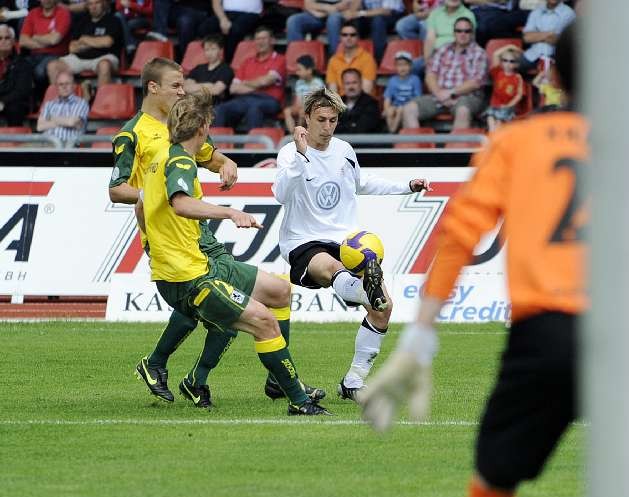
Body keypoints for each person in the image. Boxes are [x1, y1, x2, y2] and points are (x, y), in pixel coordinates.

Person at [361, 25, 629, 497]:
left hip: (545, 336)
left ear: (554, 77)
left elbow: (457, 237)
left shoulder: (515, 142)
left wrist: (418, 342)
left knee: (492, 486)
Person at [139, 89, 330, 415]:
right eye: (209, 125)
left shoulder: (162, 156)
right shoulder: (181, 161)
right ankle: (298, 400)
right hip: (189, 277)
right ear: (200, 128)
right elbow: (181, 203)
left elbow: (143, 205)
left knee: (278, 290)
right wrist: (230, 212)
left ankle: (260, 382)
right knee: (263, 322)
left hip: (196, 265)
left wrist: (154, 242)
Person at [274, 87, 430, 400]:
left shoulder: (344, 149)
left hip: (346, 239)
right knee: (331, 268)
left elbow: (362, 183)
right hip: (303, 241)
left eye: (333, 120)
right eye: (321, 119)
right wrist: (302, 155)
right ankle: (363, 289)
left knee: (383, 308)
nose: (327, 126)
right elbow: (280, 193)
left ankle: (353, 382)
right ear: (307, 118)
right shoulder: (291, 153)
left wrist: (406, 186)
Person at [402, 17, 488, 130]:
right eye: (459, 31)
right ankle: (416, 147)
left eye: (467, 31)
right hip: (439, 95)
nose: (463, 34)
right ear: (454, 32)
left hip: (467, 96)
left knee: (463, 111)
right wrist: (439, 94)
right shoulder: (443, 49)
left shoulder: (479, 53)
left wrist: (450, 93)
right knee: (409, 109)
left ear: (472, 34)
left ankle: (455, 147)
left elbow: (475, 83)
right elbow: (430, 74)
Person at [213, 26, 286, 133]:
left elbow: (265, 81)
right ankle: (216, 146)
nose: (260, 42)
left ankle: (254, 147)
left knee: (254, 108)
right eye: (257, 39)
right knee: (220, 109)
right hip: (244, 99)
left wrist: (245, 83)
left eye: (263, 38)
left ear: (272, 40)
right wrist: (258, 85)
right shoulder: (247, 61)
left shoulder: (279, 59)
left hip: (269, 100)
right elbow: (233, 89)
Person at [47, 0, 123, 87]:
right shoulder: (82, 22)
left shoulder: (113, 20)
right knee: (52, 66)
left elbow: (107, 42)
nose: (93, 7)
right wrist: (96, 42)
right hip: (80, 59)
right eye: (90, 4)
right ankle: (63, 99)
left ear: (103, 4)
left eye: (97, 3)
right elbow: (72, 48)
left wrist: (84, 39)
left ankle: (101, 99)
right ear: (87, 6)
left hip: (104, 57)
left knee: (104, 65)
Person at [18, 0, 71, 85]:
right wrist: (47, 41)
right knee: (18, 67)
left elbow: (54, 40)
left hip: (56, 56)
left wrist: (35, 37)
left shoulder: (63, 13)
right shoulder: (33, 13)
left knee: (39, 72)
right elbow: (23, 41)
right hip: (34, 55)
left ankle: (45, 96)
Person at [285, 0, 359, 57]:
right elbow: (308, 4)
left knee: (333, 20)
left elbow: (347, 3)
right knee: (293, 21)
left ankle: (336, 60)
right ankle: (298, 63)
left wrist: (327, 10)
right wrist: (325, 9)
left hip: (339, 13)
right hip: (318, 14)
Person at [519, 0, 575, 74]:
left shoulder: (569, 13)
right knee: (511, 65)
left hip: (555, 57)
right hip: (533, 55)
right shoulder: (536, 12)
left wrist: (536, 35)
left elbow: (557, 40)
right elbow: (527, 38)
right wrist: (549, 34)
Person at [36, 70, 89, 146]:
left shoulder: (81, 103)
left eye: (67, 83)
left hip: (67, 145)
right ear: (57, 87)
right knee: (19, 151)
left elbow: (72, 122)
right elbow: (40, 127)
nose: (64, 87)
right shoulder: (49, 104)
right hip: (45, 143)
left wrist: (51, 118)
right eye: (61, 84)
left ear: (73, 85)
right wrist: (65, 121)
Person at [197, 0, 262, 62]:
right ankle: (210, 62)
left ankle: (227, 64)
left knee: (234, 30)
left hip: (251, 14)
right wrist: (223, 19)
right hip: (226, 13)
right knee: (205, 28)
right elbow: (216, 3)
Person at [325, 22, 377, 94]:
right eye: (345, 35)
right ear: (340, 38)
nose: (348, 38)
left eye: (353, 35)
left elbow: (366, 91)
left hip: (362, 103)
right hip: (341, 103)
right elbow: (333, 91)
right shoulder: (333, 60)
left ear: (358, 37)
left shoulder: (367, 59)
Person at [184, 33, 235, 104]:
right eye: (206, 50)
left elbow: (216, 91)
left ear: (220, 50)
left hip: (214, 107)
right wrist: (207, 85)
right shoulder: (199, 68)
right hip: (193, 104)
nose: (209, 53)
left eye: (213, 49)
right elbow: (185, 87)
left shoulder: (226, 70)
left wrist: (195, 88)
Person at [485, 44, 524, 132]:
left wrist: (508, 105)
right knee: (490, 119)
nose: (508, 63)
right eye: (505, 60)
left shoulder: (517, 77)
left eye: (512, 61)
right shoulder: (498, 72)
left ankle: (494, 138)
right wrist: (510, 46)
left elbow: (519, 95)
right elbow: (495, 54)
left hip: (507, 107)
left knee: (499, 122)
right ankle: (492, 137)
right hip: (495, 106)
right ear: (501, 62)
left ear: (516, 64)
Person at [0, 24, 33, 126]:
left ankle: (14, 141)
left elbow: (22, 90)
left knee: (15, 108)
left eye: (7, 38)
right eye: (0, 38)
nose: (3, 41)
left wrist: (2, 102)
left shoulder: (23, 63)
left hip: (13, 102)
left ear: (13, 41)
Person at [283, 54, 325, 133]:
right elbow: (298, 102)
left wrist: (303, 108)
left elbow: (317, 101)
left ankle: (299, 133)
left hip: (315, 107)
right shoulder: (299, 83)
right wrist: (298, 107)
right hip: (302, 106)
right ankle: (292, 133)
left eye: (299, 70)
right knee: (287, 111)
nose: (297, 72)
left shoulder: (317, 83)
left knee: (302, 111)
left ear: (309, 70)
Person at [383, 49, 422, 133]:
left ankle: (393, 131)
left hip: (408, 106)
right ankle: (391, 130)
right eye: (399, 65)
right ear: (395, 67)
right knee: (390, 111)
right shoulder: (392, 80)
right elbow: (388, 98)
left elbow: (418, 98)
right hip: (396, 105)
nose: (402, 68)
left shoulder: (415, 79)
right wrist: (387, 109)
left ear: (410, 66)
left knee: (401, 110)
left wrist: (404, 107)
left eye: (405, 65)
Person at [336, 67, 383, 133]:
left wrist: (341, 125)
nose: (351, 87)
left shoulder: (371, 103)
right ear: (343, 85)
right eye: (347, 83)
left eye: (354, 82)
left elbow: (361, 129)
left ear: (361, 83)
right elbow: (330, 128)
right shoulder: (336, 103)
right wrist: (352, 124)